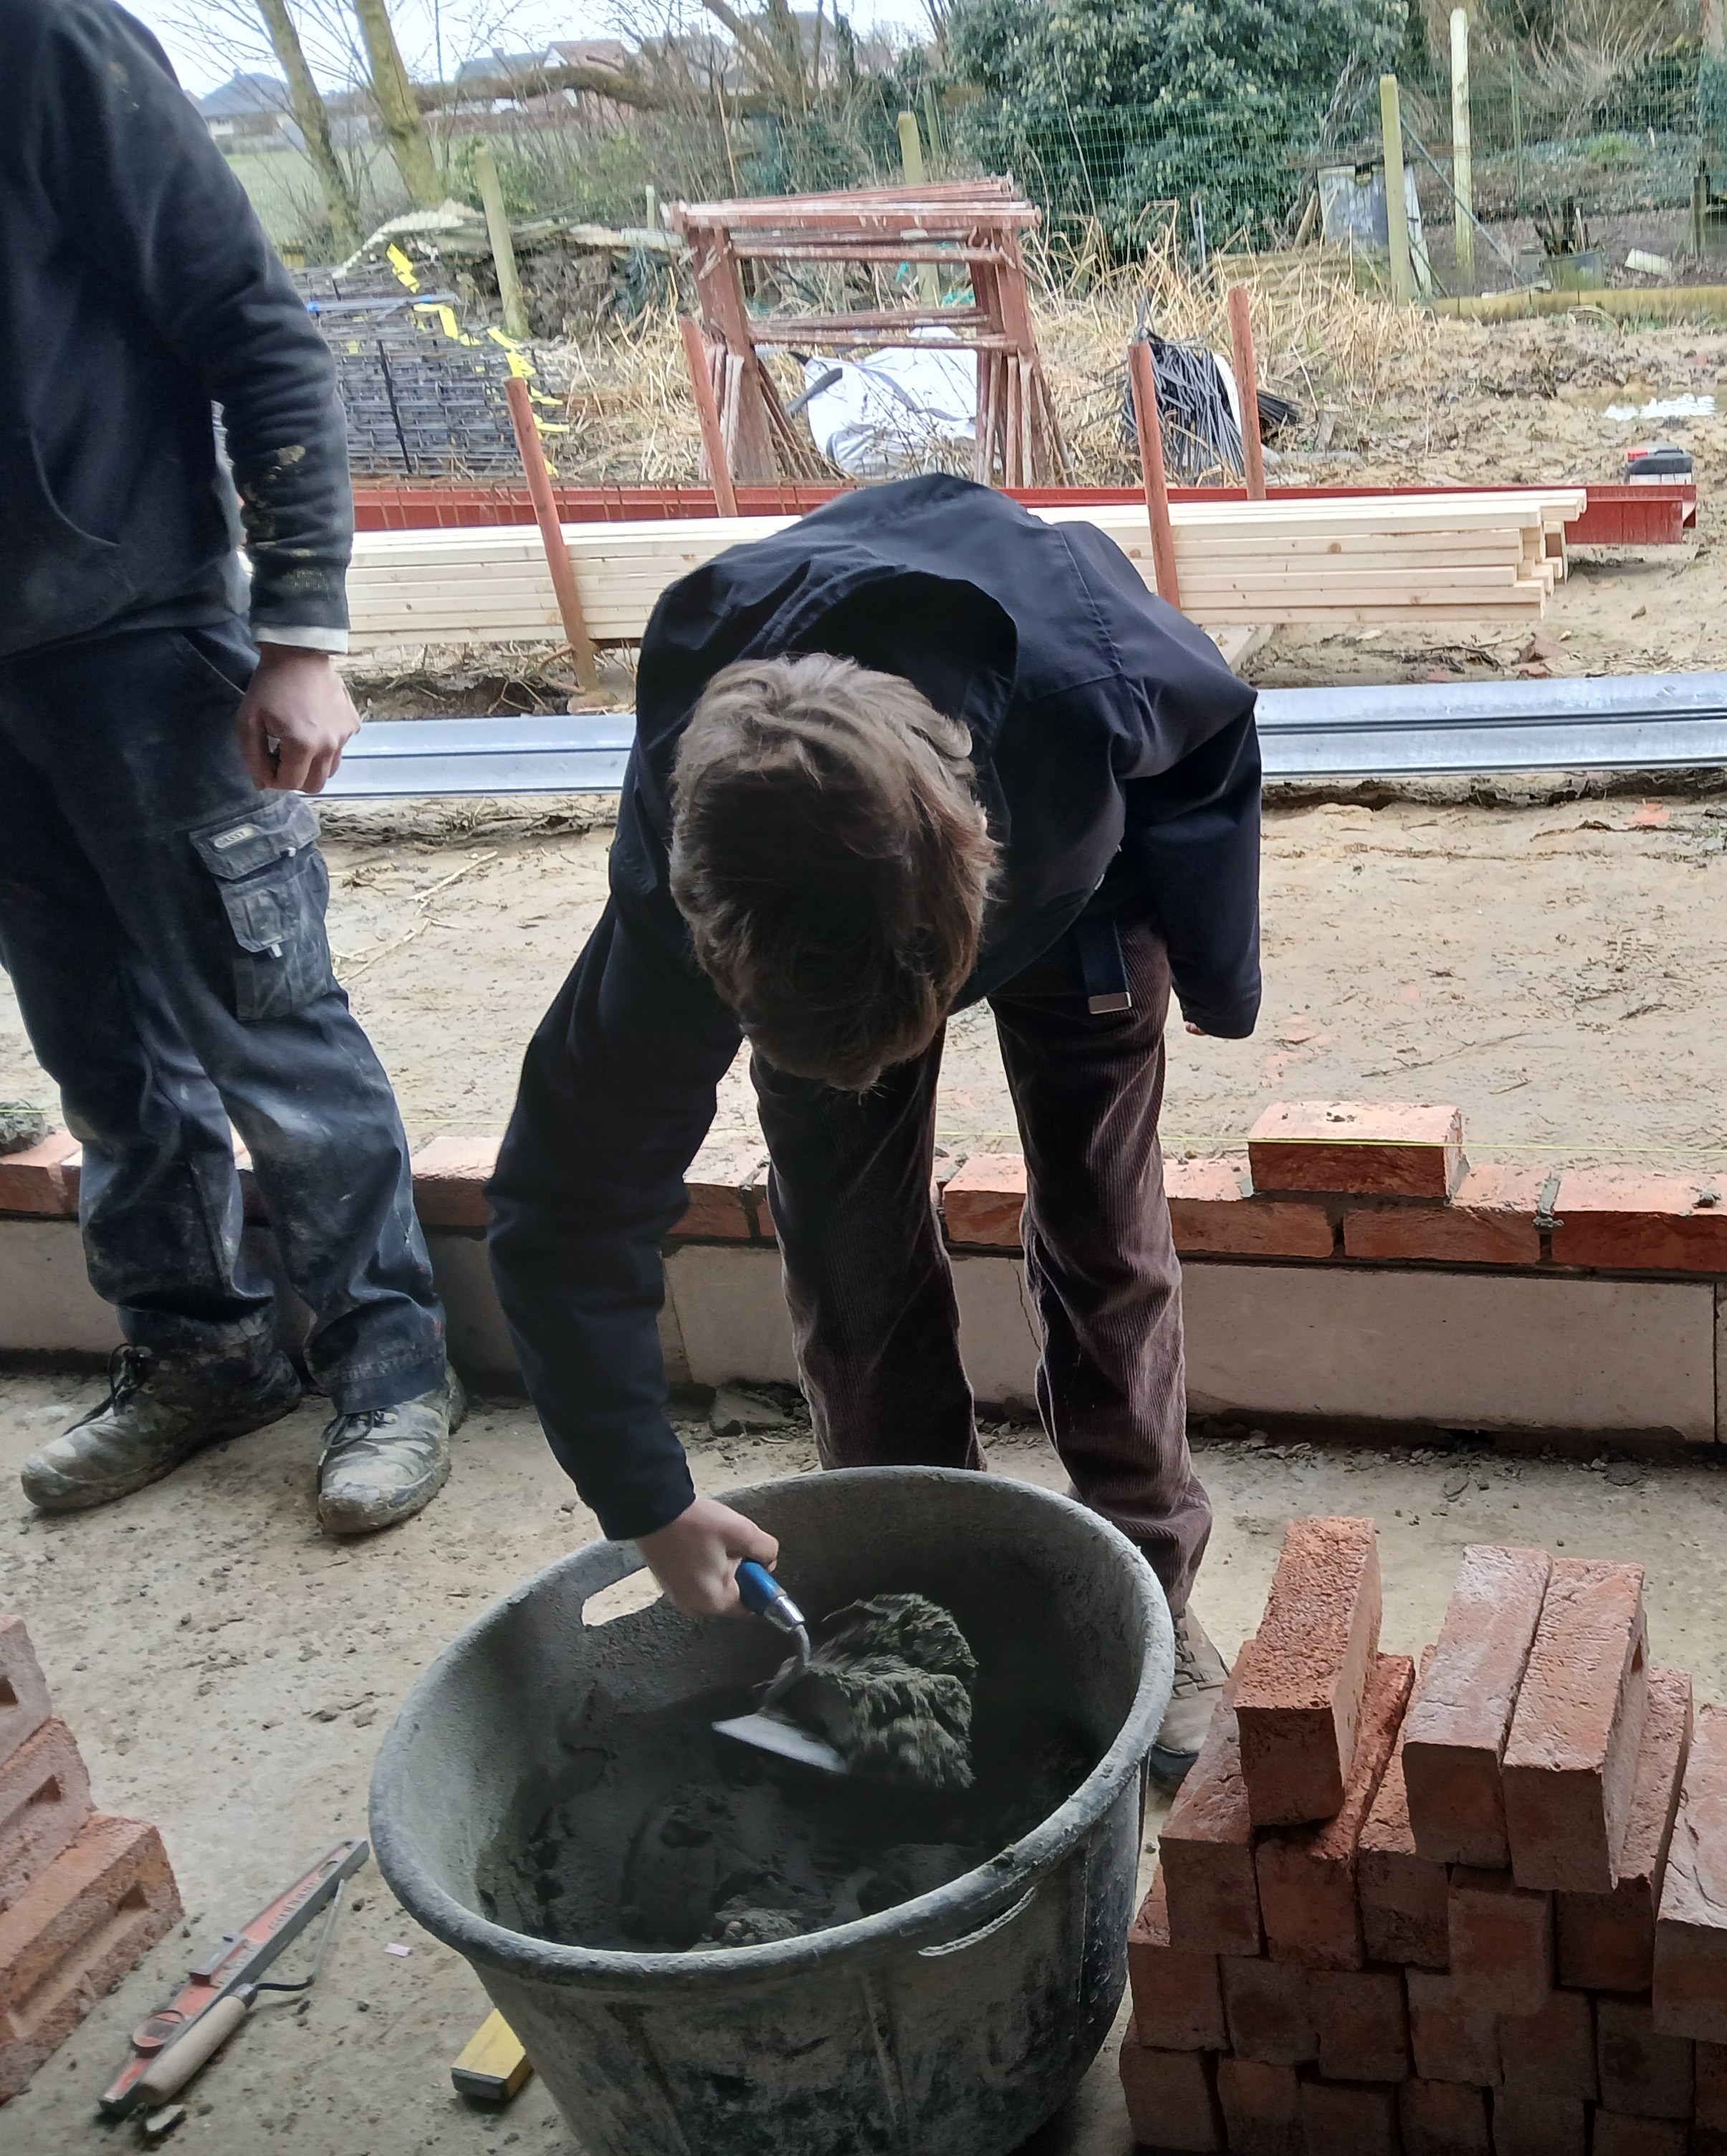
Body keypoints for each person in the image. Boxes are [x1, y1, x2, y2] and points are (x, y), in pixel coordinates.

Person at [486, 474, 1259, 1779]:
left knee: (1106, 1232)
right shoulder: (693, 887)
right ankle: (919, 1605)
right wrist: (649, 1503)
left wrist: (1217, 975)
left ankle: (1148, 1595)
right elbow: (564, 1204)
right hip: (833, 916)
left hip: (1082, 880)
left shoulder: (1088, 682)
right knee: (851, 1267)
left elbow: (1213, 742)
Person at [2, 0, 461, 1532]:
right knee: (99, 1055)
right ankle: (198, 1352)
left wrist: (302, 630)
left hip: (142, 633)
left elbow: (254, 327)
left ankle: (391, 1367)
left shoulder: (42, 42)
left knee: (270, 1029)